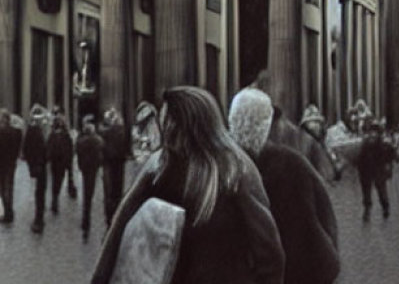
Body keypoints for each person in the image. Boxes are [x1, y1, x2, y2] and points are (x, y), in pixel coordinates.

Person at [90, 85, 284, 284]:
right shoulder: (161, 166)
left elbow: (269, 256)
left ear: (182, 125)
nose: (163, 129)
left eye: (167, 122)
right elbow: (118, 233)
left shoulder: (234, 170)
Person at [230, 88, 340, 284]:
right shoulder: (293, 163)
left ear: (231, 122)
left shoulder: (222, 166)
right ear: (268, 125)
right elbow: (326, 216)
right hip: (301, 269)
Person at [357, 117, 395, 221]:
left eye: (375, 132)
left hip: (378, 169)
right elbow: (360, 157)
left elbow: (390, 156)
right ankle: (367, 210)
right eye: (371, 132)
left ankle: (385, 207)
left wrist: (388, 167)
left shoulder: (383, 145)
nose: (373, 134)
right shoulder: (365, 144)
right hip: (366, 170)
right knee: (366, 191)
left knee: (381, 189)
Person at [99, 106, 129, 227]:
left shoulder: (106, 132)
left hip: (109, 163)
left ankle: (110, 218)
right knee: (117, 190)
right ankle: (116, 216)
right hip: (119, 163)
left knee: (109, 192)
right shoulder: (122, 130)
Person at [76, 117, 104, 240]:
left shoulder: (81, 141)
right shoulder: (97, 140)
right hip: (93, 169)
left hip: (85, 169)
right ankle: (86, 218)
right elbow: (102, 148)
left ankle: (85, 219)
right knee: (89, 193)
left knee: (86, 192)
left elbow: (77, 150)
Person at [22, 105, 49, 233]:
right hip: (40, 166)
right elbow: (27, 150)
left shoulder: (36, 130)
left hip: (40, 165)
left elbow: (26, 149)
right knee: (40, 193)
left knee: (40, 192)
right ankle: (39, 219)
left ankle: (39, 218)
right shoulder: (38, 131)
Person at [47, 112, 74, 214]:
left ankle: (55, 199)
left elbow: (69, 150)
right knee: (57, 181)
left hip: (58, 162)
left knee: (56, 181)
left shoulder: (55, 135)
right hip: (59, 162)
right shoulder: (63, 135)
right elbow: (70, 150)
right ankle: (55, 200)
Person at [0, 109, 23, 223]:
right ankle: (9, 212)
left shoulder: (2, 131)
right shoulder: (15, 132)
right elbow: (17, 148)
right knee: (9, 187)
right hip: (11, 163)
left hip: (2, 164)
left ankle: (7, 213)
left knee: (3, 188)